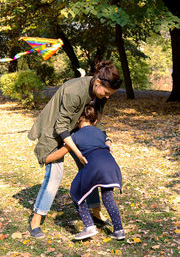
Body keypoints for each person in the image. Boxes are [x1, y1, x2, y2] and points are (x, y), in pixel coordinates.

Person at [27, 60, 122, 238]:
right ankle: (35, 221)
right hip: (53, 132)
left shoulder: (99, 94)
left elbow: (95, 120)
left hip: (75, 131)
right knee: (54, 176)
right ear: (98, 82)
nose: (108, 97)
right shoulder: (75, 92)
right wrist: (77, 152)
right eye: (107, 92)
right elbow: (61, 126)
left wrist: (106, 139)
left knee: (90, 169)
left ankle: (95, 213)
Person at [45, 105, 125, 240]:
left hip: (93, 167)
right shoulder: (100, 132)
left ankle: (89, 227)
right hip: (111, 166)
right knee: (108, 197)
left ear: (77, 121)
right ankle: (119, 230)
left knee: (76, 192)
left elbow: (60, 153)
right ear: (94, 122)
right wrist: (109, 142)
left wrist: (45, 159)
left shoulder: (75, 137)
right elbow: (107, 140)